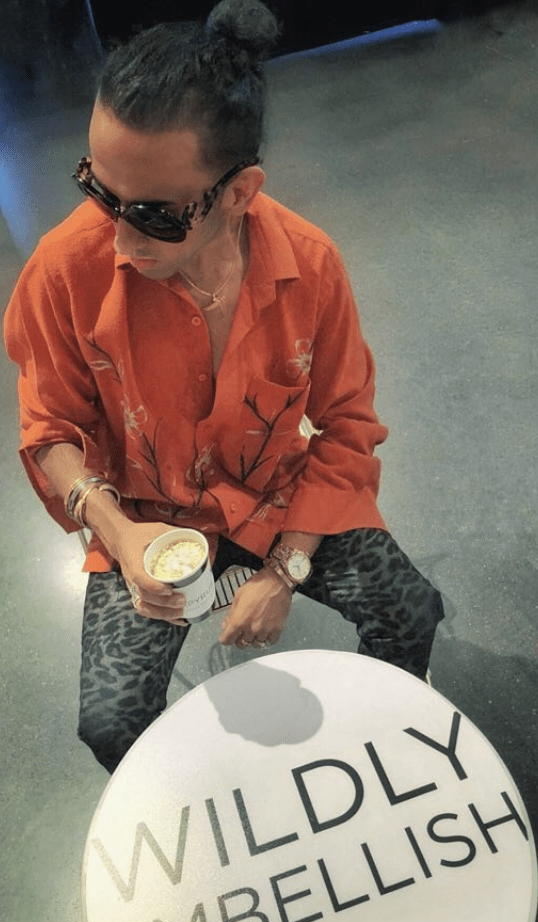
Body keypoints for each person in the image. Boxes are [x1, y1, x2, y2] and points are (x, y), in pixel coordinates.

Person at [3, 0, 444, 774]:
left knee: (412, 611)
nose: (120, 239)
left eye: (155, 215)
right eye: (98, 191)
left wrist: (285, 571)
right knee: (110, 722)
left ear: (239, 192)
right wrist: (119, 536)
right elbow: (50, 433)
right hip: (144, 512)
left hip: (277, 494)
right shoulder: (62, 272)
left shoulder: (309, 265)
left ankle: (381, 742)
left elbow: (347, 426)